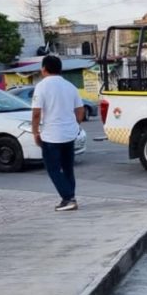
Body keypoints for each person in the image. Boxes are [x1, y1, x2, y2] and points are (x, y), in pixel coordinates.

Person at [32, 55, 84, 211]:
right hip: (69, 134)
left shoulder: (41, 86)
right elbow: (80, 111)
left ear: (44, 69)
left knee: (53, 169)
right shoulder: (70, 86)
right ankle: (70, 197)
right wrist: (74, 124)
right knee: (68, 168)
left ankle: (68, 199)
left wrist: (35, 132)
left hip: (51, 135)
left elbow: (36, 113)